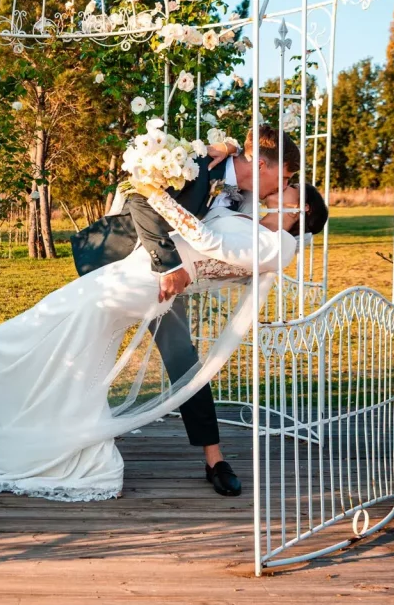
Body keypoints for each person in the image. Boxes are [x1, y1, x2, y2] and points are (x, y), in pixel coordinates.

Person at [0, 175, 328, 504]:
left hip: (144, 283)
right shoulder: (256, 220)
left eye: (290, 187)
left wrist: (153, 195)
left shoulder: (280, 244)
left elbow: (208, 240)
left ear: (301, 209)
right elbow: (224, 210)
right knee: (68, 340)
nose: (279, 191)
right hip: (133, 272)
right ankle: (72, 439)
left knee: (45, 321)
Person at [71, 125, 301, 497]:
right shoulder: (195, 163)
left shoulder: (243, 192)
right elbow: (142, 202)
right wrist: (168, 265)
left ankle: (214, 458)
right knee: (91, 350)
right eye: (284, 177)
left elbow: (247, 233)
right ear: (261, 165)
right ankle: (79, 442)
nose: (279, 188)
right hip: (115, 259)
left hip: (163, 277)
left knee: (182, 355)